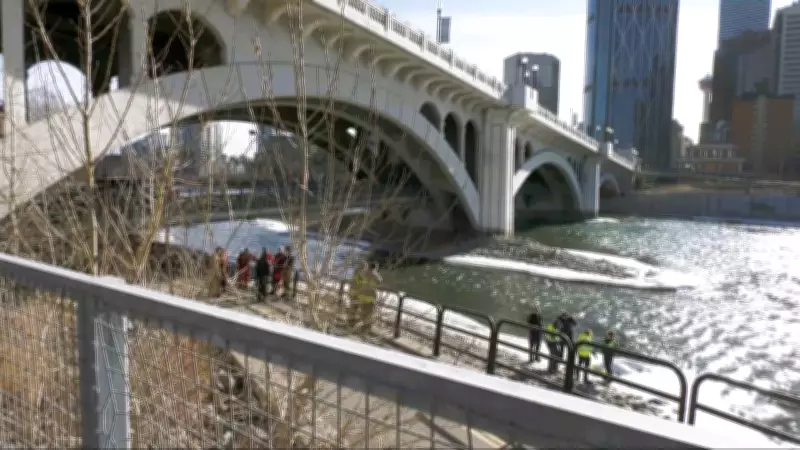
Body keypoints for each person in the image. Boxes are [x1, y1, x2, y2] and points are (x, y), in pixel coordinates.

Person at [349, 261, 382, 334]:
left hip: (361, 296)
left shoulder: (362, 273)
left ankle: (353, 325)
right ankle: (365, 330)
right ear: (375, 268)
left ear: (368, 266)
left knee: (361, 312)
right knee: (368, 314)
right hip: (370, 298)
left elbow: (356, 283)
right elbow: (380, 281)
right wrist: (376, 273)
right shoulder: (376, 275)